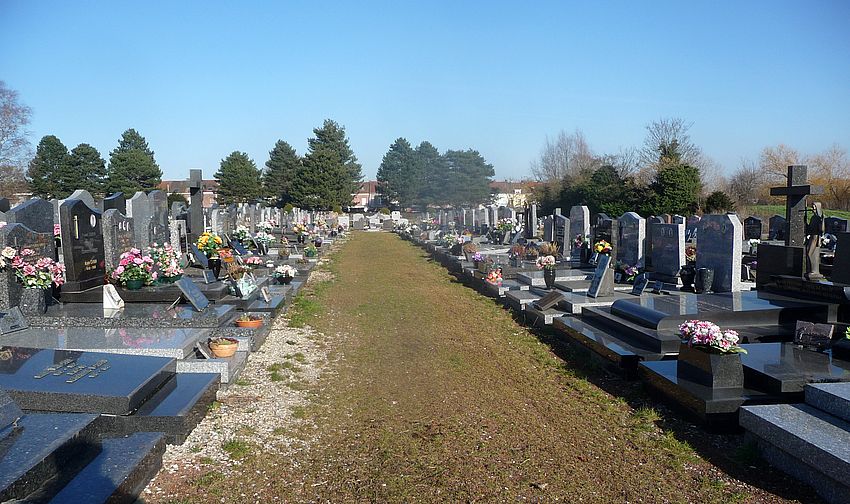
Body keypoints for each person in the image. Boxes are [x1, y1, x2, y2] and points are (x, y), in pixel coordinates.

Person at [804, 202, 825, 280]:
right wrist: (805, 222)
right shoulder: (813, 218)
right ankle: (810, 270)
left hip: (815, 238)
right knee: (808, 254)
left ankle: (814, 270)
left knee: (810, 254)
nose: (812, 209)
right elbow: (809, 229)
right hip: (811, 237)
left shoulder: (819, 218)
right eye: (812, 207)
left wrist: (822, 221)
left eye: (814, 207)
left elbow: (822, 230)